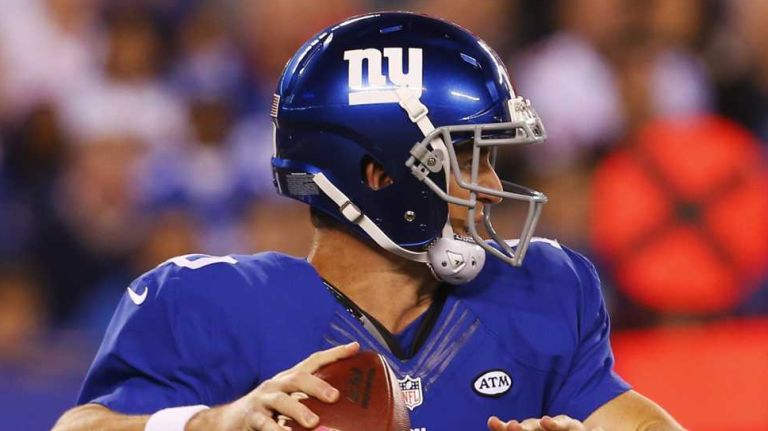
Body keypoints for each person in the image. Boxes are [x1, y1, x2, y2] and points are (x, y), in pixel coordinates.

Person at [53, 12, 684, 431]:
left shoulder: (542, 288)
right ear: (380, 177)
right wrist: (210, 423)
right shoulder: (207, 303)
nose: (492, 190)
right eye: (467, 162)